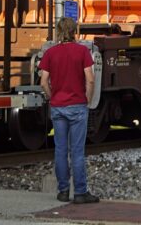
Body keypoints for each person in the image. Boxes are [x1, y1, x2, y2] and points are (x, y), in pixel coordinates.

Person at [39, 17, 100, 204]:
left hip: (58, 107)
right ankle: (80, 192)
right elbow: (90, 79)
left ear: (58, 31)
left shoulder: (50, 53)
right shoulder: (82, 51)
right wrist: (87, 99)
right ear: (75, 31)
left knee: (60, 150)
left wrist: (51, 96)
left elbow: (43, 81)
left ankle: (63, 191)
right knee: (77, 151)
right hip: (78, 105)